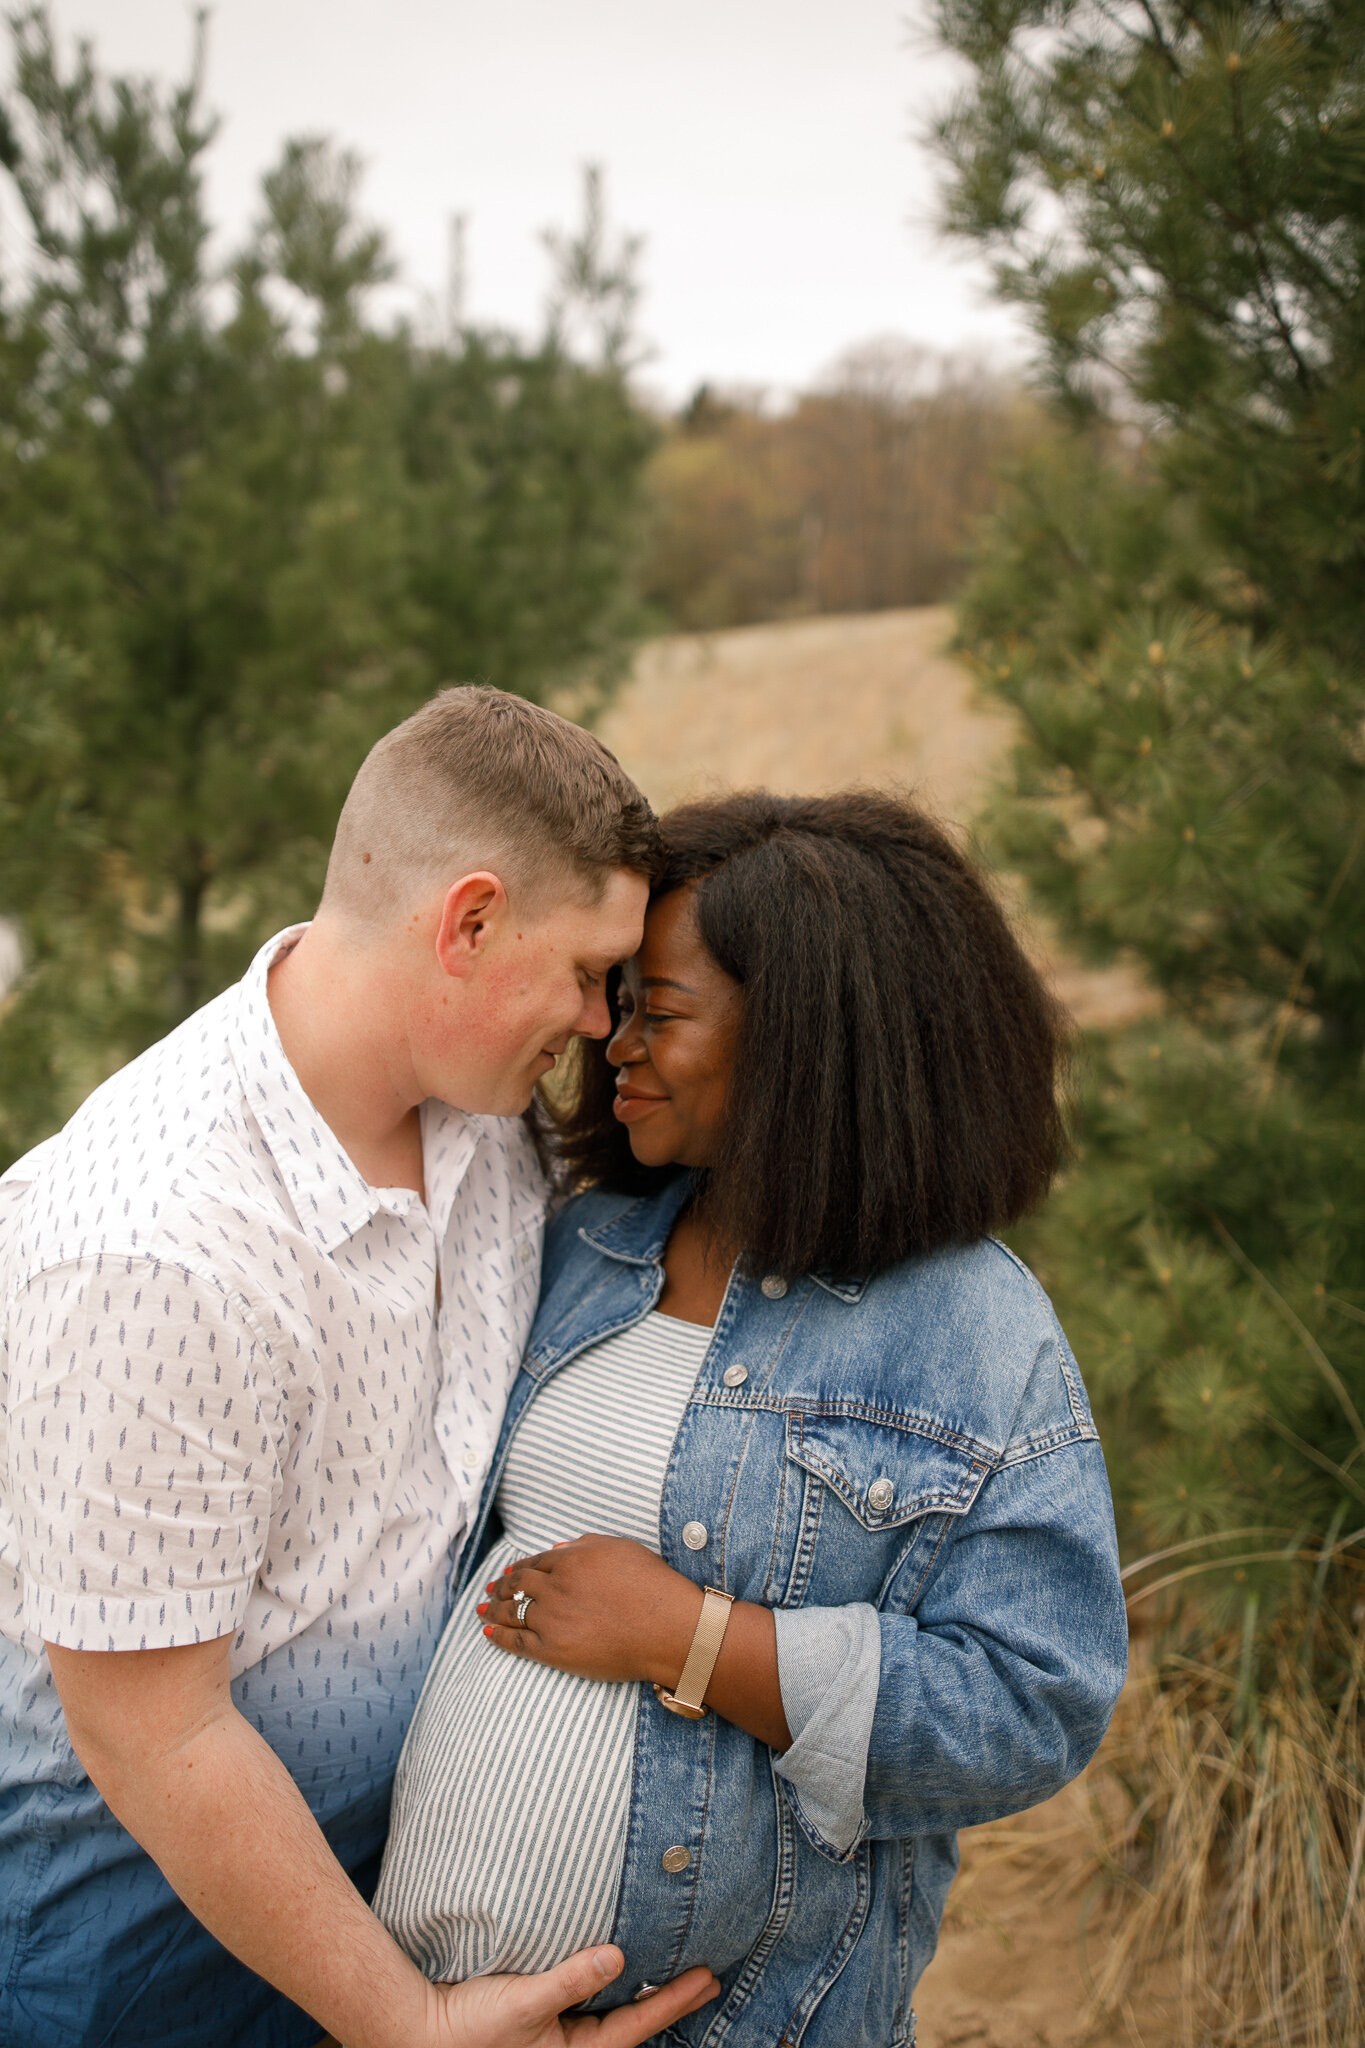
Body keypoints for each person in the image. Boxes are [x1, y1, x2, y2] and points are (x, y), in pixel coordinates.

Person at [0, 687, 720, 2048]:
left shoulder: (482, 1127)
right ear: (468, 921)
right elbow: (152, 1733)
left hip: (364, 1904)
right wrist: (405, 2022)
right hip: (122, 1950)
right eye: (580, 974)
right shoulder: (157, 1243)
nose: (594, 1021)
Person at [375, 789, 1129, 2045]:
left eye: (656, 1012)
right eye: (616, 1001)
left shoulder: (973, 1330)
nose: (610, 1041)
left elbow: (1036, 1697)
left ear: (806, 1041)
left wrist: (698, 1639)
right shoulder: (590, 1239)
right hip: (421, 2008)